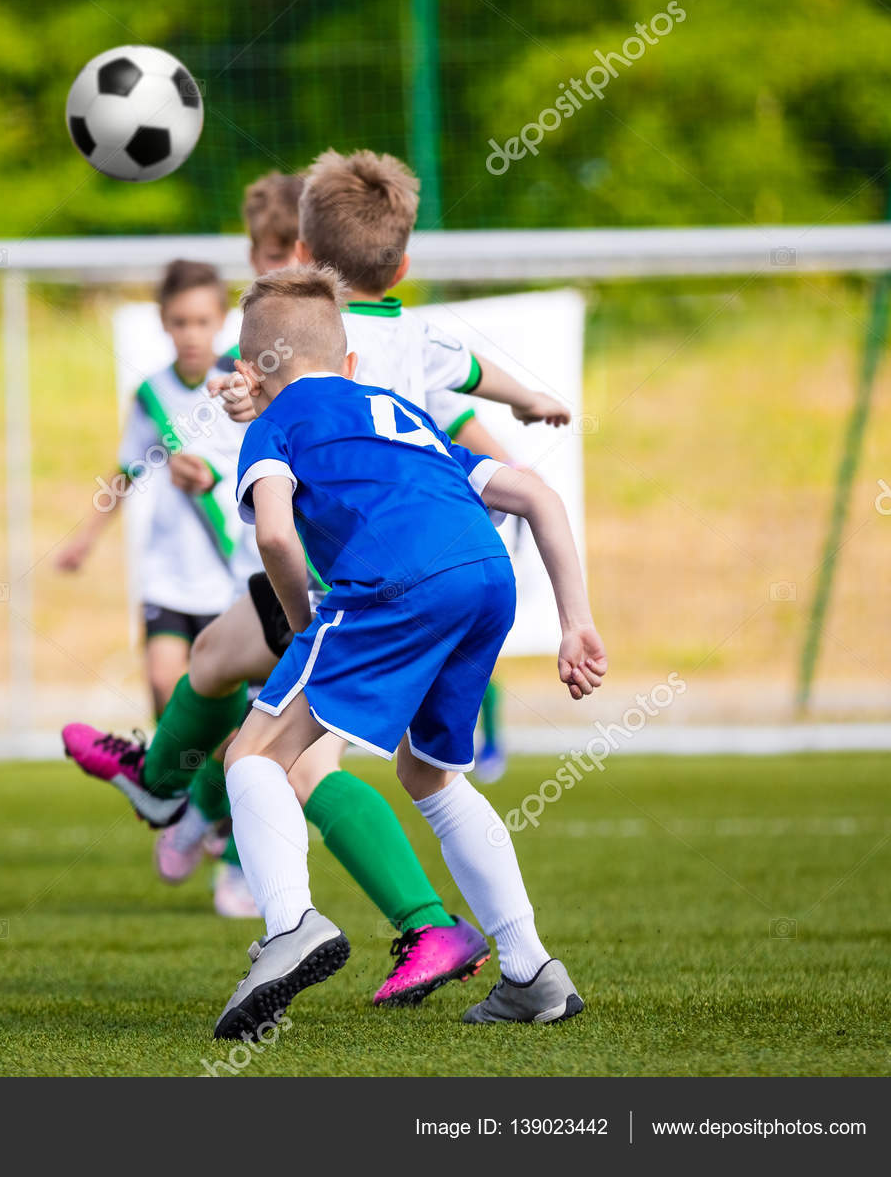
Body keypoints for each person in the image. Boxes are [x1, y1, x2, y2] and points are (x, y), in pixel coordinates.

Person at [66, 150, 568, 1003]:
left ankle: (286, 900)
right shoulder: (415, 345)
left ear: (302, 259)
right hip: (468, 559)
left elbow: (269, 488)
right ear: (401, 265)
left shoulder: (296, 367)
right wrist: (532, 403)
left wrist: (243, 401)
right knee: (385, 753)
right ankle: (522, 962)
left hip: (360, 578)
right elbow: (478, 389)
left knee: (266, 746)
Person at [208, 264, 604, 1038]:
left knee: (251, 752)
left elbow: (276, 532)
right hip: (488, 578)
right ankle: (528, 970)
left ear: (255, 375)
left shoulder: (274, 425)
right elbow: (535, 496)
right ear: (349, 362)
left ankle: (290, 923)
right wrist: (575, 620)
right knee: (428, 771)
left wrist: (300, 626)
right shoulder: (400, 411)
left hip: (397, 582)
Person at [54, 259, 265, 915]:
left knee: (234, 729)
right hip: (169, 576)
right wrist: (84, 537)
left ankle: (227, 847)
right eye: (180, 321)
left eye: (204, 320)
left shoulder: (245, 384)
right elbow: (124, 469)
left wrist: (212, 482)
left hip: (231, 573)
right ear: (163, 323)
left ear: (221, 319)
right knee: (169, 698)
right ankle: (195, 806)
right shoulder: (150, 394)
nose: (193, 333)